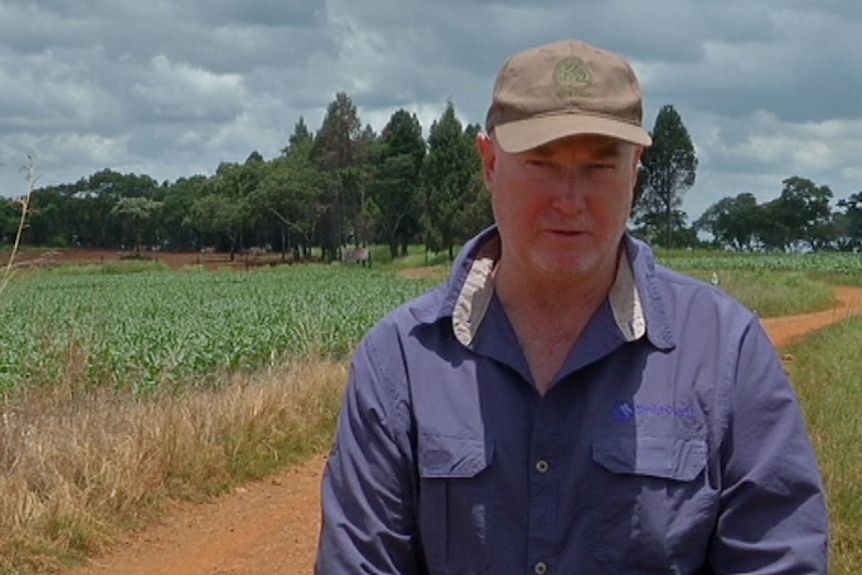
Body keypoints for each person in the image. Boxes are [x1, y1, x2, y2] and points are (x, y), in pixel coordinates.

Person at [315, 39, 828, 574]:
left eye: (599, 167)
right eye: (540, 163)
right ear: (490, 163)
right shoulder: (401, 361)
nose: (569, 198)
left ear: (635, 170)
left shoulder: (726, 351)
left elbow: (778, 559)